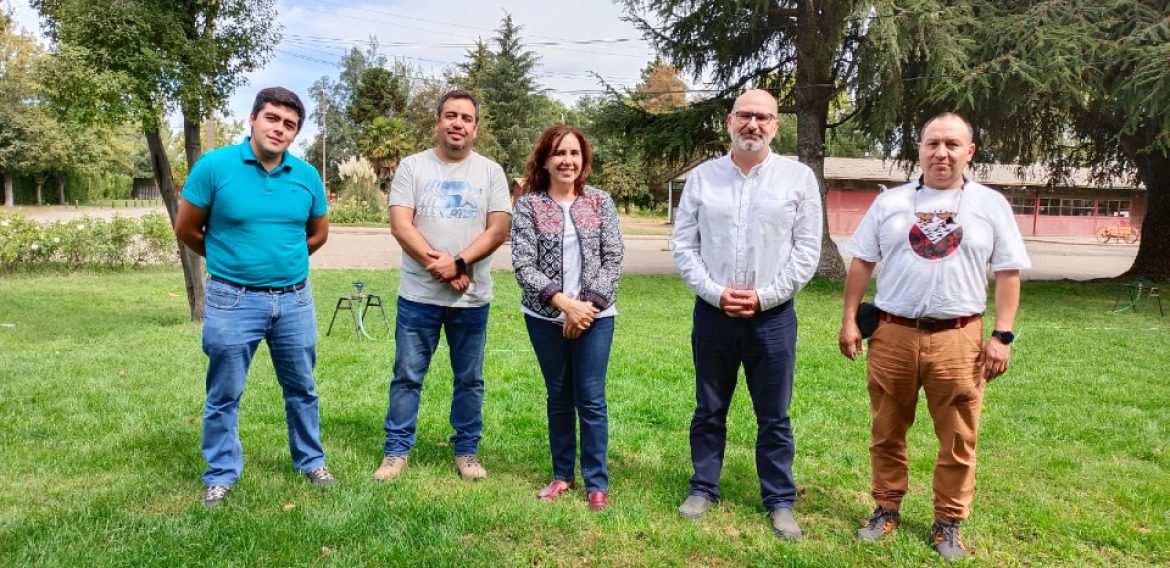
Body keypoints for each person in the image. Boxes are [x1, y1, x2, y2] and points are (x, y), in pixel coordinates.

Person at [838, 112, 1030, 560]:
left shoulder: (990, 205)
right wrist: (849, 319)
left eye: (952, 144)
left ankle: (948, 522)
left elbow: (1007, 273)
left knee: (959, 437)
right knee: (886, 430)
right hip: (893, 334)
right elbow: (863, 262)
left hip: (959, 340)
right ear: (919, 149)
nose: (941, 153)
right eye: (932, 144)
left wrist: (1002, 336)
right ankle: (886, 509)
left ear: (969, 152)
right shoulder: (890, 203)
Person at [672, 89, 823, 540]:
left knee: (774, 414)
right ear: (729, 121)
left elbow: (807, 250)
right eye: (745, 116)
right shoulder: (703, 179)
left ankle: (779, 500)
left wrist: (764, 297)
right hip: (713, 314)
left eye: (763, 117)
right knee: (709, 407)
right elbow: (684, 245)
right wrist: (717, 293)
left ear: (776, 125)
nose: (752, 124)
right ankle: (703, 486)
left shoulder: (798, 179)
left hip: (772, 319)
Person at [174, 87, 335, 508]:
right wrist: (230, 260)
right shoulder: (214, 167)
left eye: (289, 125)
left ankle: (311, 461)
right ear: (252, 119)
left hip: (294, 301)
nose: (279, 129)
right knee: (224, 392)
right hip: (232, 300)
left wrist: (285, 261)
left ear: (295, 133)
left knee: (302, 387)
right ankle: (220, 474)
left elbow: (317, 234)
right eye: (272, 119)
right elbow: (187, 228)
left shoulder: (306, 176)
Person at [373, 89, 511, 482]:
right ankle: (396, 452)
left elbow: (499, 228)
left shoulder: (490, 172)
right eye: (451, 116)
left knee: (470, 379)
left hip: (472, 299)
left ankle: (466, 452)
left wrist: (461, 262)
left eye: (466, 118)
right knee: (407, 376)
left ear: (476, 128)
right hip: (418, 297)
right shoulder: (412, 168)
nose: (457, 124)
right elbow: (401, 225)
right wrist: (444, 266)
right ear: (437, 122)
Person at [512, 125, 624, 512]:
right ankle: (562, 475)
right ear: (544, 159)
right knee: (559, 396)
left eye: (574, 153)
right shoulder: (529, 205)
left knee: (590, 398)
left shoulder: (600, 202)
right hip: (545, 317)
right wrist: (564, 305)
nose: (567, 161)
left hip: (596, 316)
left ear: (584, 160)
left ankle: (597, 482)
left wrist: (585, 307)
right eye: (559, 153)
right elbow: (523, 265)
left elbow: (613, 258)